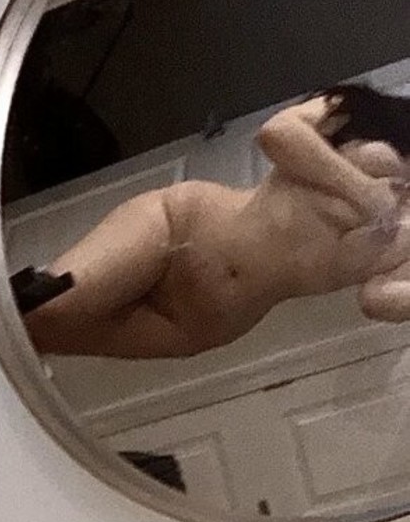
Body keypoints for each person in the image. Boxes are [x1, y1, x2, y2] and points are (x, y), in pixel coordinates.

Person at [21, 83, 410, 360]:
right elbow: (278, 134)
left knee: (36, 340)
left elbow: (377, 302)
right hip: (182, 225)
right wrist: (365, 192)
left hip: (208, 320)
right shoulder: (364, 110)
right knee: (47, 307)